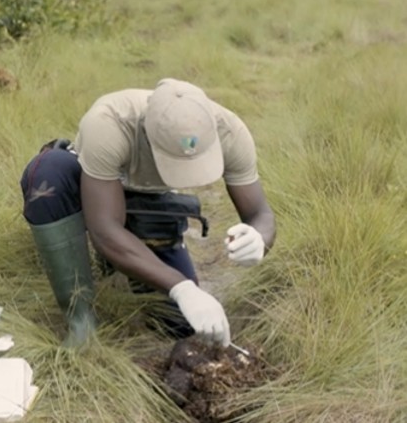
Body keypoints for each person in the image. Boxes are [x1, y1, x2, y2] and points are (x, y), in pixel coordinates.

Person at [20, 78, 276, 348]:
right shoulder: (109, 123)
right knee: (48, 174)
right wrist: (182, 287)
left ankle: (121, 262)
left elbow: (260, 212)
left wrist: (259, 238)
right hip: (96, 189)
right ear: (146, 134)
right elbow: (104, 229)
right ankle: (81, 323)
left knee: (179, 325)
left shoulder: (231, 133)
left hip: (150, 199)